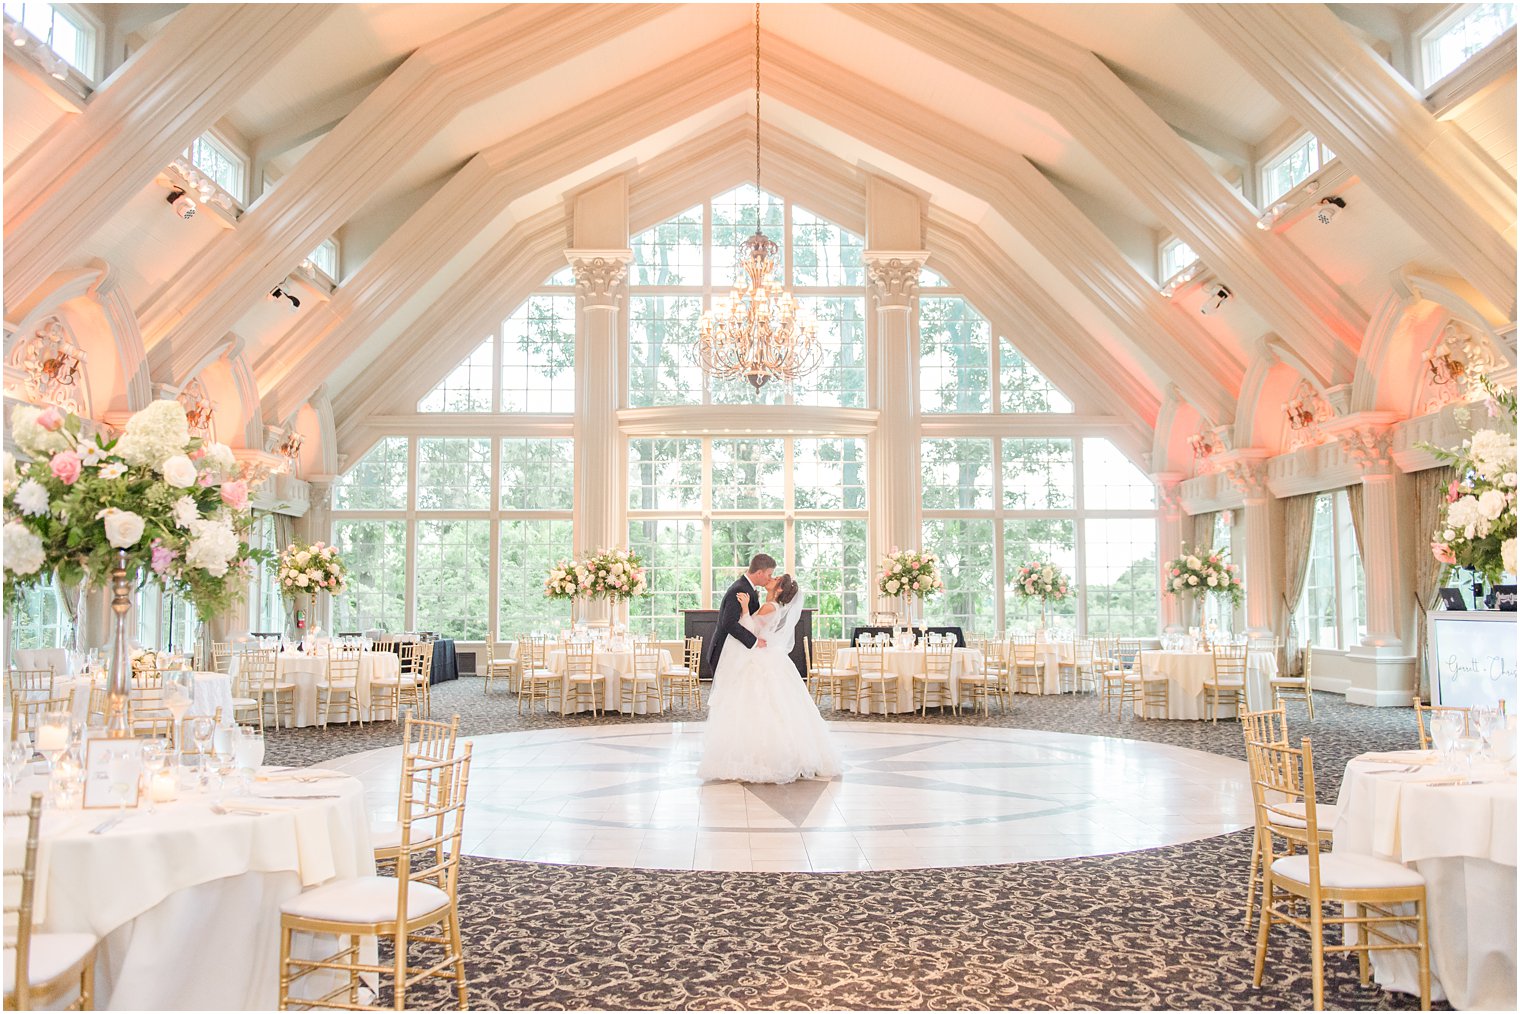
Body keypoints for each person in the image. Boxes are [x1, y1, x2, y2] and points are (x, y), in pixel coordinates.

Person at [699, 572, 843, 784]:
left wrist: (746, 609)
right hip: (770, 657)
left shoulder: (769, 607)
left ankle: (762, 759)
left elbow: (750, 629)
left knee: (757, 704)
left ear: (780, 589)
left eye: (775, 579)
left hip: (761, 658)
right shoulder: (774, 607)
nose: (771, 578)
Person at [707, 553, 776, 676]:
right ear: (759, 573)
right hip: (724, 652)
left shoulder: (747, 588)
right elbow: (729, 623)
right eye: (769, 574)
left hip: (736, 652)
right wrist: (754, 641)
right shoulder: (739, 589)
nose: (770, 578)